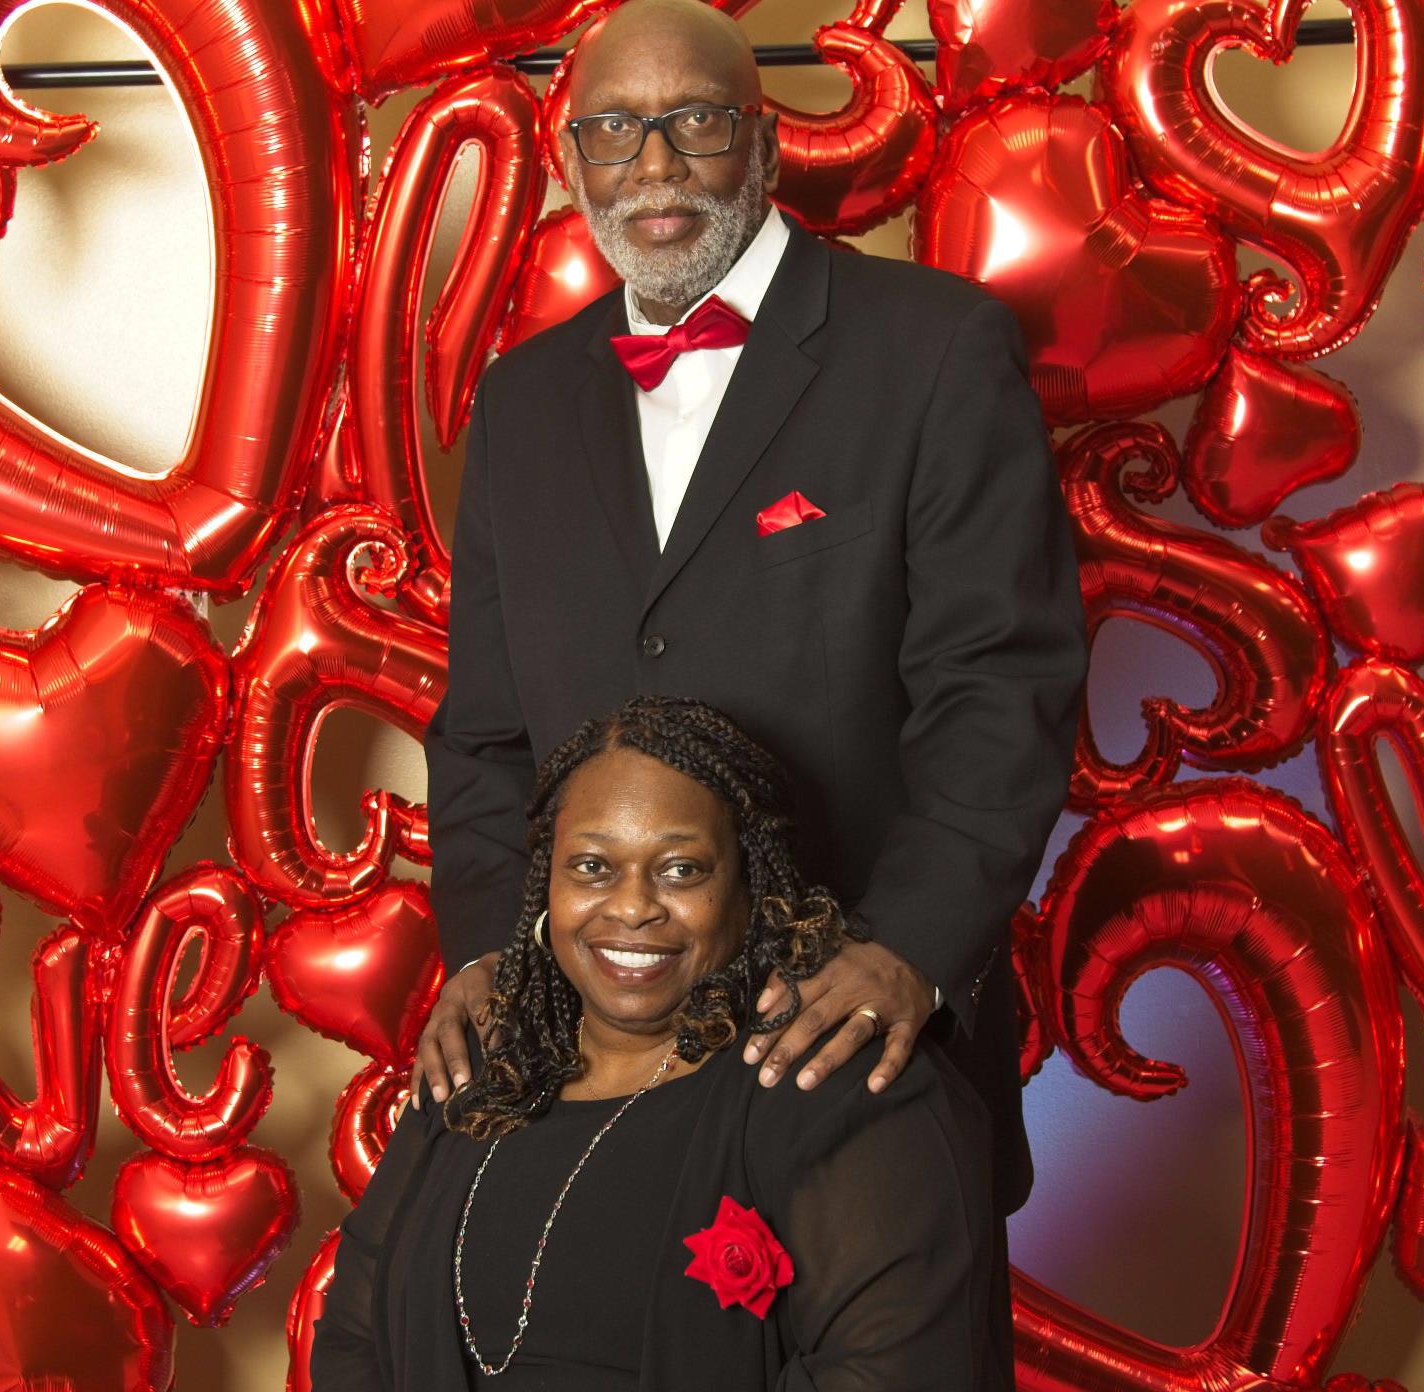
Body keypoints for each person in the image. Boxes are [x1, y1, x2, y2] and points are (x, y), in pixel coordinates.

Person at [417, 0, 1086, 1365]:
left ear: (768, 145)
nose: (653, 165)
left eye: (695, 122)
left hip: (851, 1042)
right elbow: (483, 727)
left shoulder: (933, 348)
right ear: (570, 163)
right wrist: (486, 951)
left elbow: (999, 686)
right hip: (589, 1051)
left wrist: (908, 948)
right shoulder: (522, 401)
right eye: (614, 131)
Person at [315, 696, 1000, 1389]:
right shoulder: (479, 1067)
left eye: (681, 869)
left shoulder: (835, 1087)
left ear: (750, 886)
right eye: (591, 866)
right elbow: (353, 1338)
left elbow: (886, 1375)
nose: (632, 906)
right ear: (546, 884)